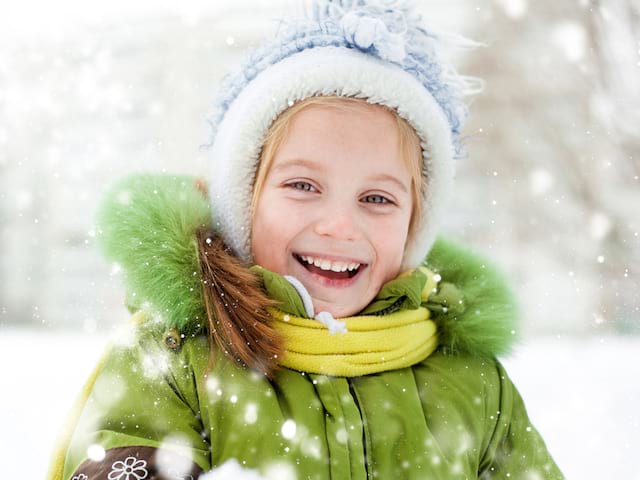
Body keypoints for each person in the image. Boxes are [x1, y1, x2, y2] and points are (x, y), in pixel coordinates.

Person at [49, 1, 564, 479]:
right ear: (244, 202)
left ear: (414, 226)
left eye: (377, 199)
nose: (339, 225)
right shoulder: (178, 359)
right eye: (303, 186)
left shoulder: (470, 380)